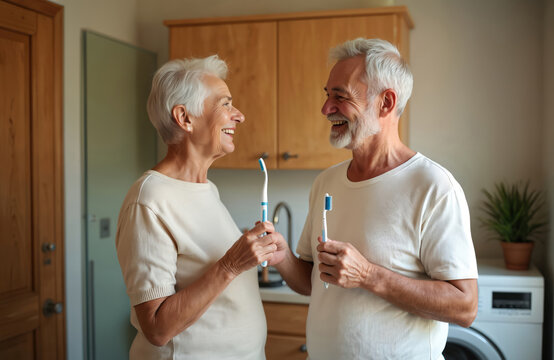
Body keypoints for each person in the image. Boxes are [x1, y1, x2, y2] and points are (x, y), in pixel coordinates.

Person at [274, 38, 478, 359]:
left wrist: (368, 275)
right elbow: (315, 282)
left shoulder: (433, 186)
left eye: (340, 96)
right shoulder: (325, 182)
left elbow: (464, 306)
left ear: (385, 103)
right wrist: (280, 254)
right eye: (327, 96)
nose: (326, 109)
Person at [115, 55, 283, 360]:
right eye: (225, 104)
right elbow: (156, 327)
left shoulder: (206, 189)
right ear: (185, 118)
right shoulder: (149, 200)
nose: (239, 115)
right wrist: (231, 264)